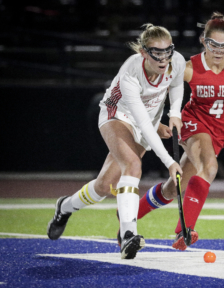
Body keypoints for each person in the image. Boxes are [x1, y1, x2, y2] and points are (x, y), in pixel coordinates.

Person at [117, 12, 224, 251]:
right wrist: (157, 121)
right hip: (193, 123)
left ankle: (127, 217)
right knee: (210, 167)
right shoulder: (189, 67)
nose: (218, 50)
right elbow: (158, 91)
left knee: (172, 187)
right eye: (213, 44)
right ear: (203, 41)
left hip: (220, 133)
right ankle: (185, 230)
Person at [47, 24, 186, 260]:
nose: (164, 59)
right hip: (118, 115)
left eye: (167, 51)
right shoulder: (131, 72)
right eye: (157, 53)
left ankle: (65, 207)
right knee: (132, 165)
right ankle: (128, 233)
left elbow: (176, 85)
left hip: (148, 118)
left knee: (103, 186)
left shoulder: (177, 61)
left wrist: (174, 113)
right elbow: (141, 123)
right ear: (143, 53)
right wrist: (170, 162)